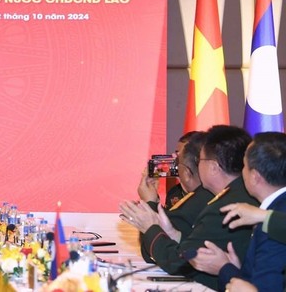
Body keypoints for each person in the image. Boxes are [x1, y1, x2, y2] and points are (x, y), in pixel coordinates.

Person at [119, 125, 257, 290]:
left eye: (201, 161)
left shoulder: (222, 208)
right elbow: (198, 251)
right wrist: (173, 234)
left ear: (213, 167)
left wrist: (150, 228)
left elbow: (178, 262)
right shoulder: (241, 193)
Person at [190, 131, 286, 291]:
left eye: (244, 165)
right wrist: (233, 268)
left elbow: (263, 288)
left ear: (255, 177)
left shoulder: (271, 221)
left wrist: (223, 268)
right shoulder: (276, 209)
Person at [136, 131, 212, 262]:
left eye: (179, 157)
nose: (173, 161)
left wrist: (150, 203)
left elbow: (158, 251)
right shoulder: (176, 192)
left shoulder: (199, 199)